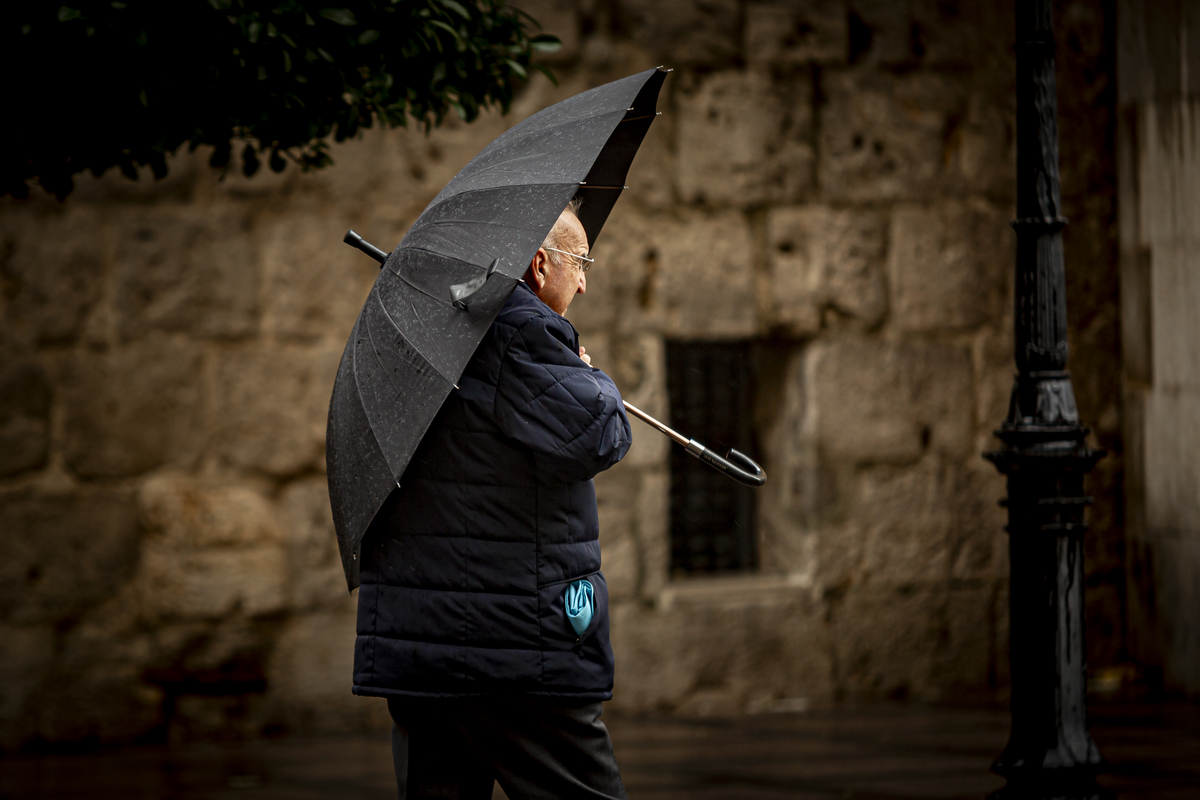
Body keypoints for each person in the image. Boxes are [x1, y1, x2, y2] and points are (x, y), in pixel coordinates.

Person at [353, 200, 633, 800]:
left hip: (423, 645)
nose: (584, 280)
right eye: (579, 261)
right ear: (538, 264)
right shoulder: (520, 331)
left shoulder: (431, 328)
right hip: (509, 646)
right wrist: (592, 376)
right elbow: (599, 434)